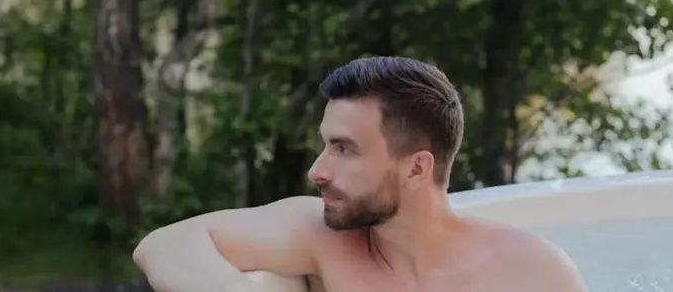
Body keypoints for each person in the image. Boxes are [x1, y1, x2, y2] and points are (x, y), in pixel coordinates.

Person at [133, 56, 588, 292]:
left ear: (416, 167)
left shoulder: (531, 273)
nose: (317, 170)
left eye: (344, 149)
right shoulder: (321, 236)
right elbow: (165, 245)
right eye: (325, 143)